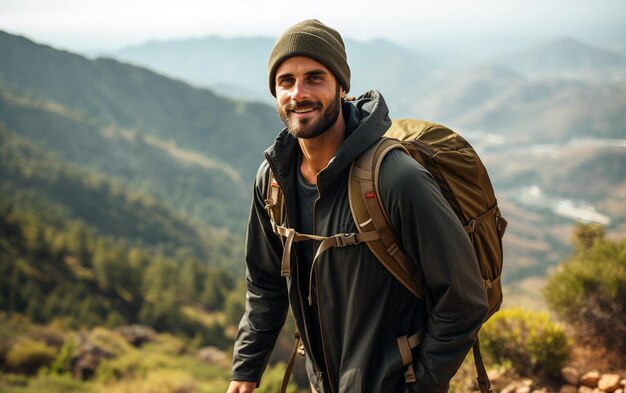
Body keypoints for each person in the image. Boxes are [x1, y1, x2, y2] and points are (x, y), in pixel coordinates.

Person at [227, 19, 488, 393]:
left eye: (315, 78)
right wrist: (246, 370)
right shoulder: (272, 181)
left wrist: (422, 385)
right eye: (286, 81)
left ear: (342, 87)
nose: (298, 93)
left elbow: (463, 297)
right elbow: (265, 283)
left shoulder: (394, 178)